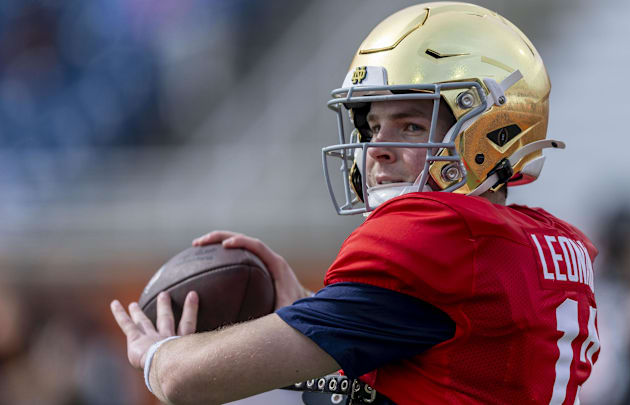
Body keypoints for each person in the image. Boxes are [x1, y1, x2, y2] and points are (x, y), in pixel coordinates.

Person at [110, 3, 600, 404]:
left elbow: (186, 382)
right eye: (371, 127)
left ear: (491, 130)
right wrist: (309, 312)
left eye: (409, 125)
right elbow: (419, 378)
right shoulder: (549, 243)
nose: (376, 148)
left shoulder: (437, 236)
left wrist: (159, 356)